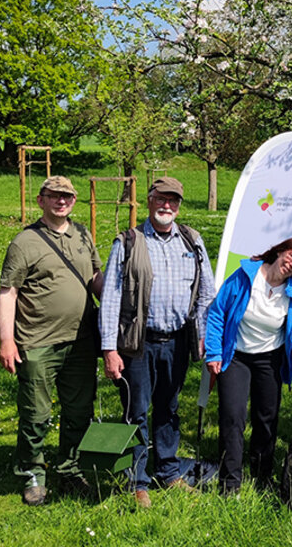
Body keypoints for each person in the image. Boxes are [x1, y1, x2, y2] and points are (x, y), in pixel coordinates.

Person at [99, 177, 216, 508]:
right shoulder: (128, 242)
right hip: (138, 343)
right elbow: (110, 298)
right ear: (149, 201)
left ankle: (168, 471)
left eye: (174, 201)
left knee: (170, 407)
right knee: (137, 411)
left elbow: (207, 292)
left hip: (177, 340)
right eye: (161, 199)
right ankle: (137, 480)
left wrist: (206, 335)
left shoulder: (192, 241)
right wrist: (110, 349)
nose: (167, 206)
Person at [0, 176, 103, 506]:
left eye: (67, 196)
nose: (61, 201)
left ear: (74, 201)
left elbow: (95, 279)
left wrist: (123, 302)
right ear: (41, 200)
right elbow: (8, 294)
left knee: (78, 410)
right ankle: (33, 473)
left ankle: (70, 469)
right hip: (38, 341)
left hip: (82, 340)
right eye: (54, 196)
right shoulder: (24, 242)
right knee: (36, 414)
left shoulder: (83, 234)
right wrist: (7, 341)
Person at [204, 238, 292, 493]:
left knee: (267, 419)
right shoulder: (245, 276)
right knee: (233, 418)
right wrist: (213, 352)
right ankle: (230, 483)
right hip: (235, 356)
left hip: (270, 359)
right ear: (280, 251)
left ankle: (262, 477)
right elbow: (217, 313)